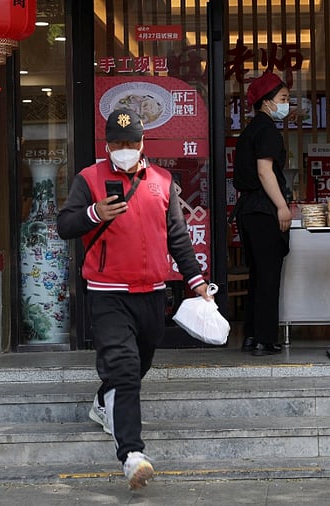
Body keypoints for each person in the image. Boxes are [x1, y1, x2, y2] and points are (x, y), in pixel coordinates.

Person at [57, 108, 211, 489]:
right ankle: (131, 455)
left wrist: (196, 282)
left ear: (143, 143)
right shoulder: (89, 179)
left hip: (152, 293)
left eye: (131, 143)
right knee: (124, 368)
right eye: (117, 143)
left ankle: (102, 402)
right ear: (106, 145)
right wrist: (95, 213)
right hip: (108, 293)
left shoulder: (161, 179)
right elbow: (65, 225)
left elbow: (177, 236)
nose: (124, 149)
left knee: (138, 363)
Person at [232, 72, 292, 356]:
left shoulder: (249, 130)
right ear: (266, 102)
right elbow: (264, 171)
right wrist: (281, 205)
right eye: (282, 99)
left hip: (247, 211)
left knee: (257, 274)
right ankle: (264, 341)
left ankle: (251, 334)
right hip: (263, 208)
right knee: (268, 276)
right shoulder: (267, 129)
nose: (287, 103)